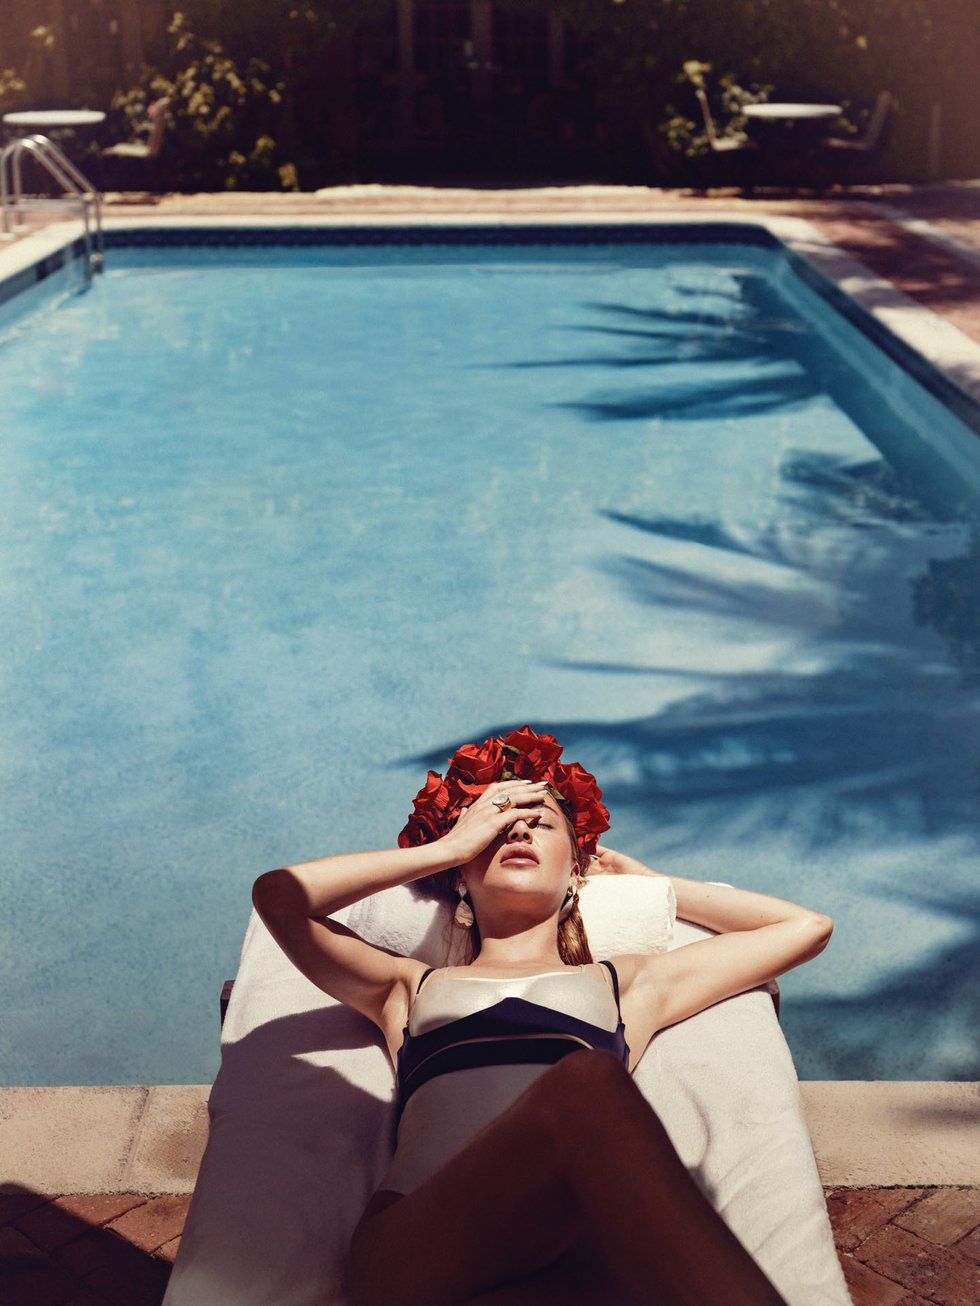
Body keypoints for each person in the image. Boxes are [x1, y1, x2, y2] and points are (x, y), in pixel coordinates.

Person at [252, 726, 832, 1306]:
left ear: (577, 870)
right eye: (497, 824)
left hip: (569, 1242)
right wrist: (446, 847)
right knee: (585, 1084)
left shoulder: (625, 986)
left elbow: (805, 929)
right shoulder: (408, 987)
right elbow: (279, 897)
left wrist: (649, 884)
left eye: (540, 822)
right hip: (420, 1249)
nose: (519, 829)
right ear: (461, 873)